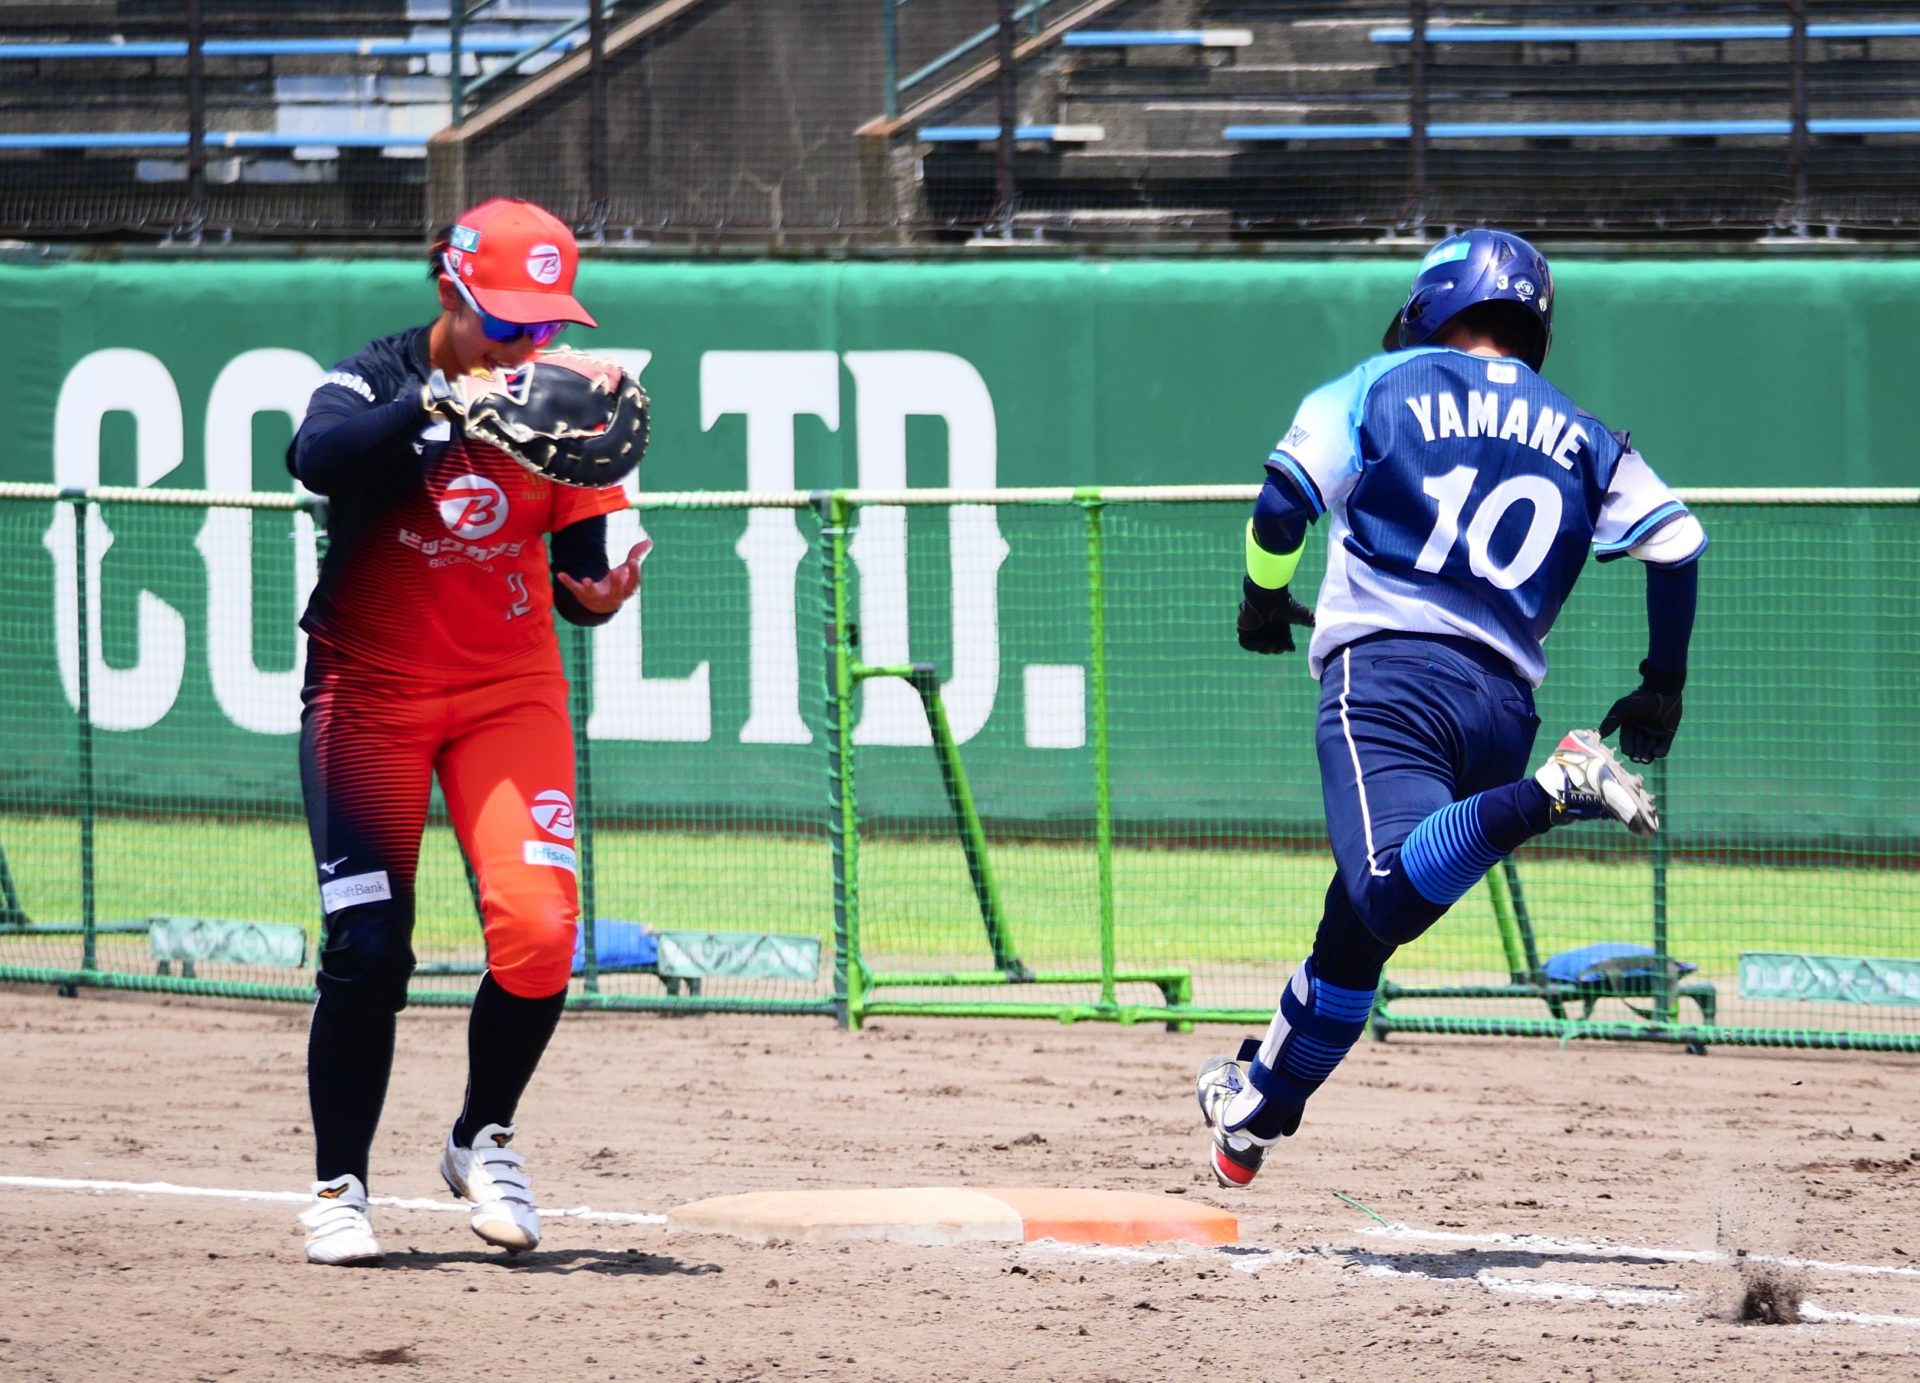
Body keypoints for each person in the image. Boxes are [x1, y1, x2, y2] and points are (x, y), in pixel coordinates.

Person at [1197, 229, 1705, 1189]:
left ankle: (1560, 788)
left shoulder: (1379, 384)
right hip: (1500, 711)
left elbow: (1281, 504)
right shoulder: (1586, 433)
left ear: (1436, 301)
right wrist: (1662, 682)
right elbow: (1677, 542)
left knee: (1387, 886)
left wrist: (1263, 596)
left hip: (1389, 683)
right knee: (1359, 930)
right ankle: (1259, 1105)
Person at [286, 197, 649, 1264]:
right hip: (369, 692)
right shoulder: (377, 378)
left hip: (507, 693)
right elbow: (314, 457)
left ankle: (481, 1137)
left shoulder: (563, 406)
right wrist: (440, 403)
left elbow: (581, 572)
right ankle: (340, 1187)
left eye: (547, 324)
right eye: (508, 321)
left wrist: (600, 596)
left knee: (540, 932)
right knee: (369, 947)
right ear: (450, 293)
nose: (528, 342)